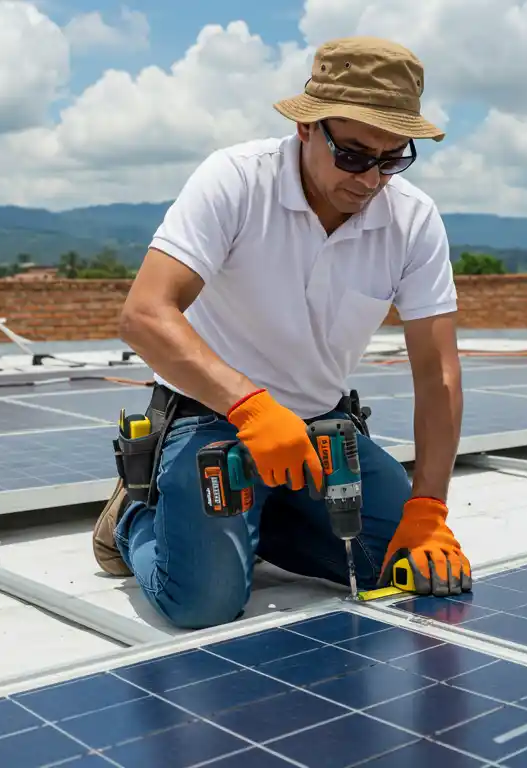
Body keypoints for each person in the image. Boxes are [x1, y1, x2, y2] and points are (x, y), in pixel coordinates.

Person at [94, 35, 472, 630]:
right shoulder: (237, 181)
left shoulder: (413, 220)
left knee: (402, 565)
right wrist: (250, 407)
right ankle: (134, 519)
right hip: (213, 418)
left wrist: (429, 508)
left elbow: (438, 373)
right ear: (307, 126)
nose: (371, 179)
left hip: (322, 431)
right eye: (353, 155)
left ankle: (254, 524)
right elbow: (145, 314)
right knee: (204, 604)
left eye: (392, 159)